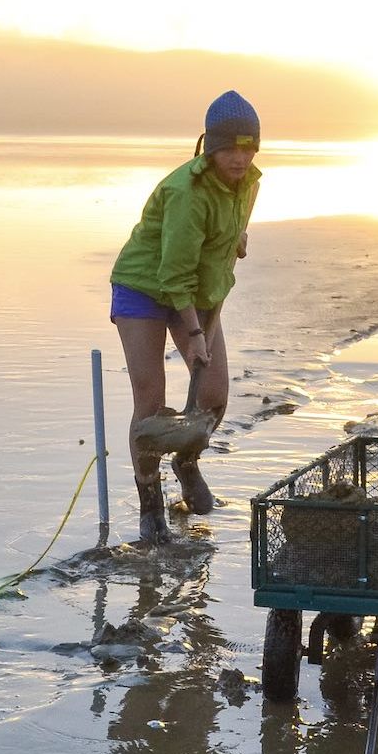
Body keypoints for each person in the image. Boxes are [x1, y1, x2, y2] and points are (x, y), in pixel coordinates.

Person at [108, 91, 261, 545]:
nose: (239, 157)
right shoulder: (185, 193)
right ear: (209, 147)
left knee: (214, 395)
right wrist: (193, 333)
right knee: (150, 398)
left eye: (248, 147)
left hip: (197, 290)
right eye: (229, 148)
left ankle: (187, 462)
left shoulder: (250, 181)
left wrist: (236, 238)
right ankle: (150, 503)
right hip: (144, 287)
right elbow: (172, 275)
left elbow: (230, 226)